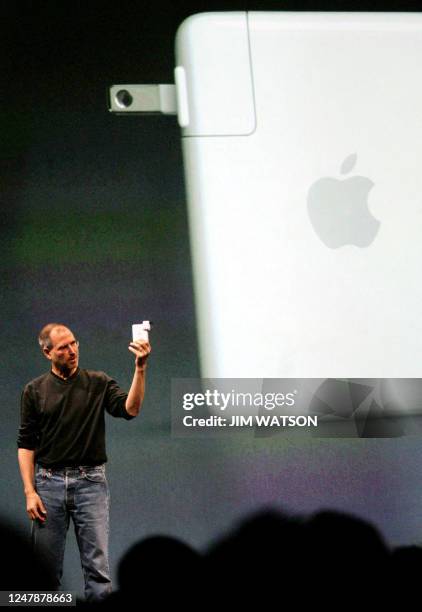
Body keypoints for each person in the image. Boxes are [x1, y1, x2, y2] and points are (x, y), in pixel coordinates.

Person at [17, 323, 151, 602]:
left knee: (97, 570)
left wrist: (139, 368)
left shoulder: (98, 382)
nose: (72, 350)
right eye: (63, 347)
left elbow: (131, 409)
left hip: (90, 483)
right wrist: (30, 492)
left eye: (74, 343)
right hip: (48, 485)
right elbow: (26, 444)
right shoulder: (34, 391)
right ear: (47, 352)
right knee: (44, 571)